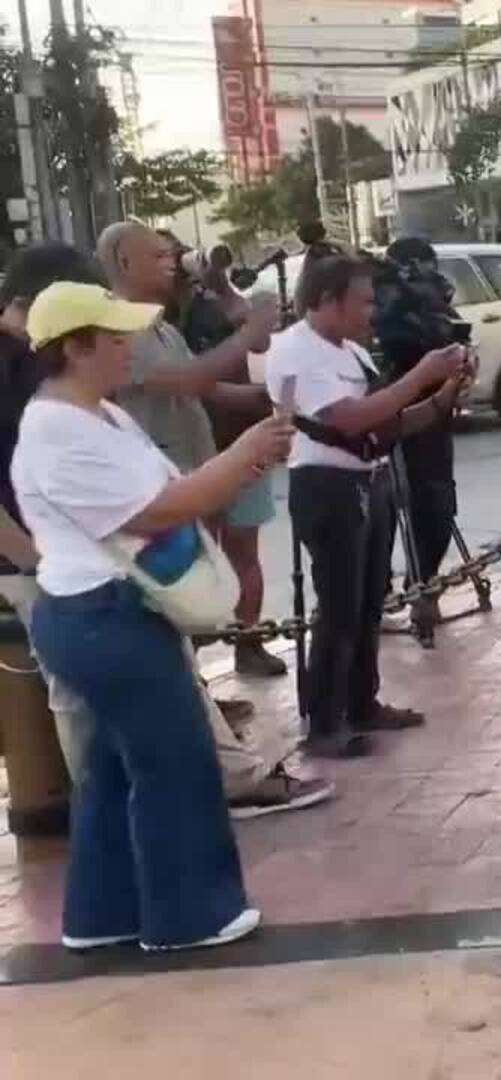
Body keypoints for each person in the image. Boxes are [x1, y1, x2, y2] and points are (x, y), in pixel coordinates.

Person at [13, 281, 296, 950]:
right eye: (115, 340)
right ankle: (190, 916)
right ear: (75, 349)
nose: (127, 350)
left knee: (116, 770)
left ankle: (103, 917)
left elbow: (172, 487)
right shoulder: (57, 431)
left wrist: (243, 462)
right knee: (174, 762)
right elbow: (159, 511)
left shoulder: (101, 415)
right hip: (101, 616)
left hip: (112, 614)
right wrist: (245, 453)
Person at [97, 221, 325, 815]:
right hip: (156, 502)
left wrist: (260, 404)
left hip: (184, 485)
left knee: (184, 621)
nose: (172, 259)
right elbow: (188, 379)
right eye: (157, 253)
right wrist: (246, 330)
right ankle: (218, 769)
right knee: (173, 619)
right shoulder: (120, 327)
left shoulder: (160, 322)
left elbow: (199, 391)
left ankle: (205, 741)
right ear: (123, 261)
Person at [266, 256, 469, 759]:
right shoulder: (295, 351)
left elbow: (388, 424)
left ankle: (362, 701)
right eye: (362, 301)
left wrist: (444, 395)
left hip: (368, 478)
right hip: (324, 484)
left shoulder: (353, 353)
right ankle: (324, 720)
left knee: (368, 601)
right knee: (338, 606)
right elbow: (351, 419)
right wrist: (421, 374)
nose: (372, 312)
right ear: (327, 301)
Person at [0, 245, 108, 785]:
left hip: (70, 551)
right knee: (73, 690)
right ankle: (97, 807)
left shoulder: (31, 356)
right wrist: (32, 558)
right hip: (31, 559)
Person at [174, 245, 285, 677]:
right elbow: (193, 384)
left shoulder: (215, 303)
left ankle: (248, 643)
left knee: (243, 548)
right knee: (193, 559)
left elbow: (260, 338)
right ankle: (195, 671)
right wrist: (257, 396)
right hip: (193, 447)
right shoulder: (155, 320)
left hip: (242, 435)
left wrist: (220, 283)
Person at [371, 237, 465, 625]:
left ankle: (422, 586)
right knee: (388, 506)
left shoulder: (431, 299)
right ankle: (386, 591)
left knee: (433, 505)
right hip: (385, 413)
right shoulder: (385, 298)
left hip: (430, 414)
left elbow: (451, 338)